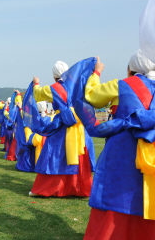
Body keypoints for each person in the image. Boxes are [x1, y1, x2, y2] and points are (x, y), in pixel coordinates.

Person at [83, 54, 155, 239]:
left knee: (115, 192)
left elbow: (91, 95)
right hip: (151, 147)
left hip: (122, 147)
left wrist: (96, 72)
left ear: (130, 69)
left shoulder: (121, 84)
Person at [29, 60, 95, 197]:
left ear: (54, 76)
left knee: (54, 155)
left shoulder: (53, 88)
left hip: (61, 125)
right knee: (80, 155)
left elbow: (37, 94)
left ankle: (51, 188)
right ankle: (80, 188)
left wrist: (36, 83)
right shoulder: (78, 86)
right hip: (78, 126)